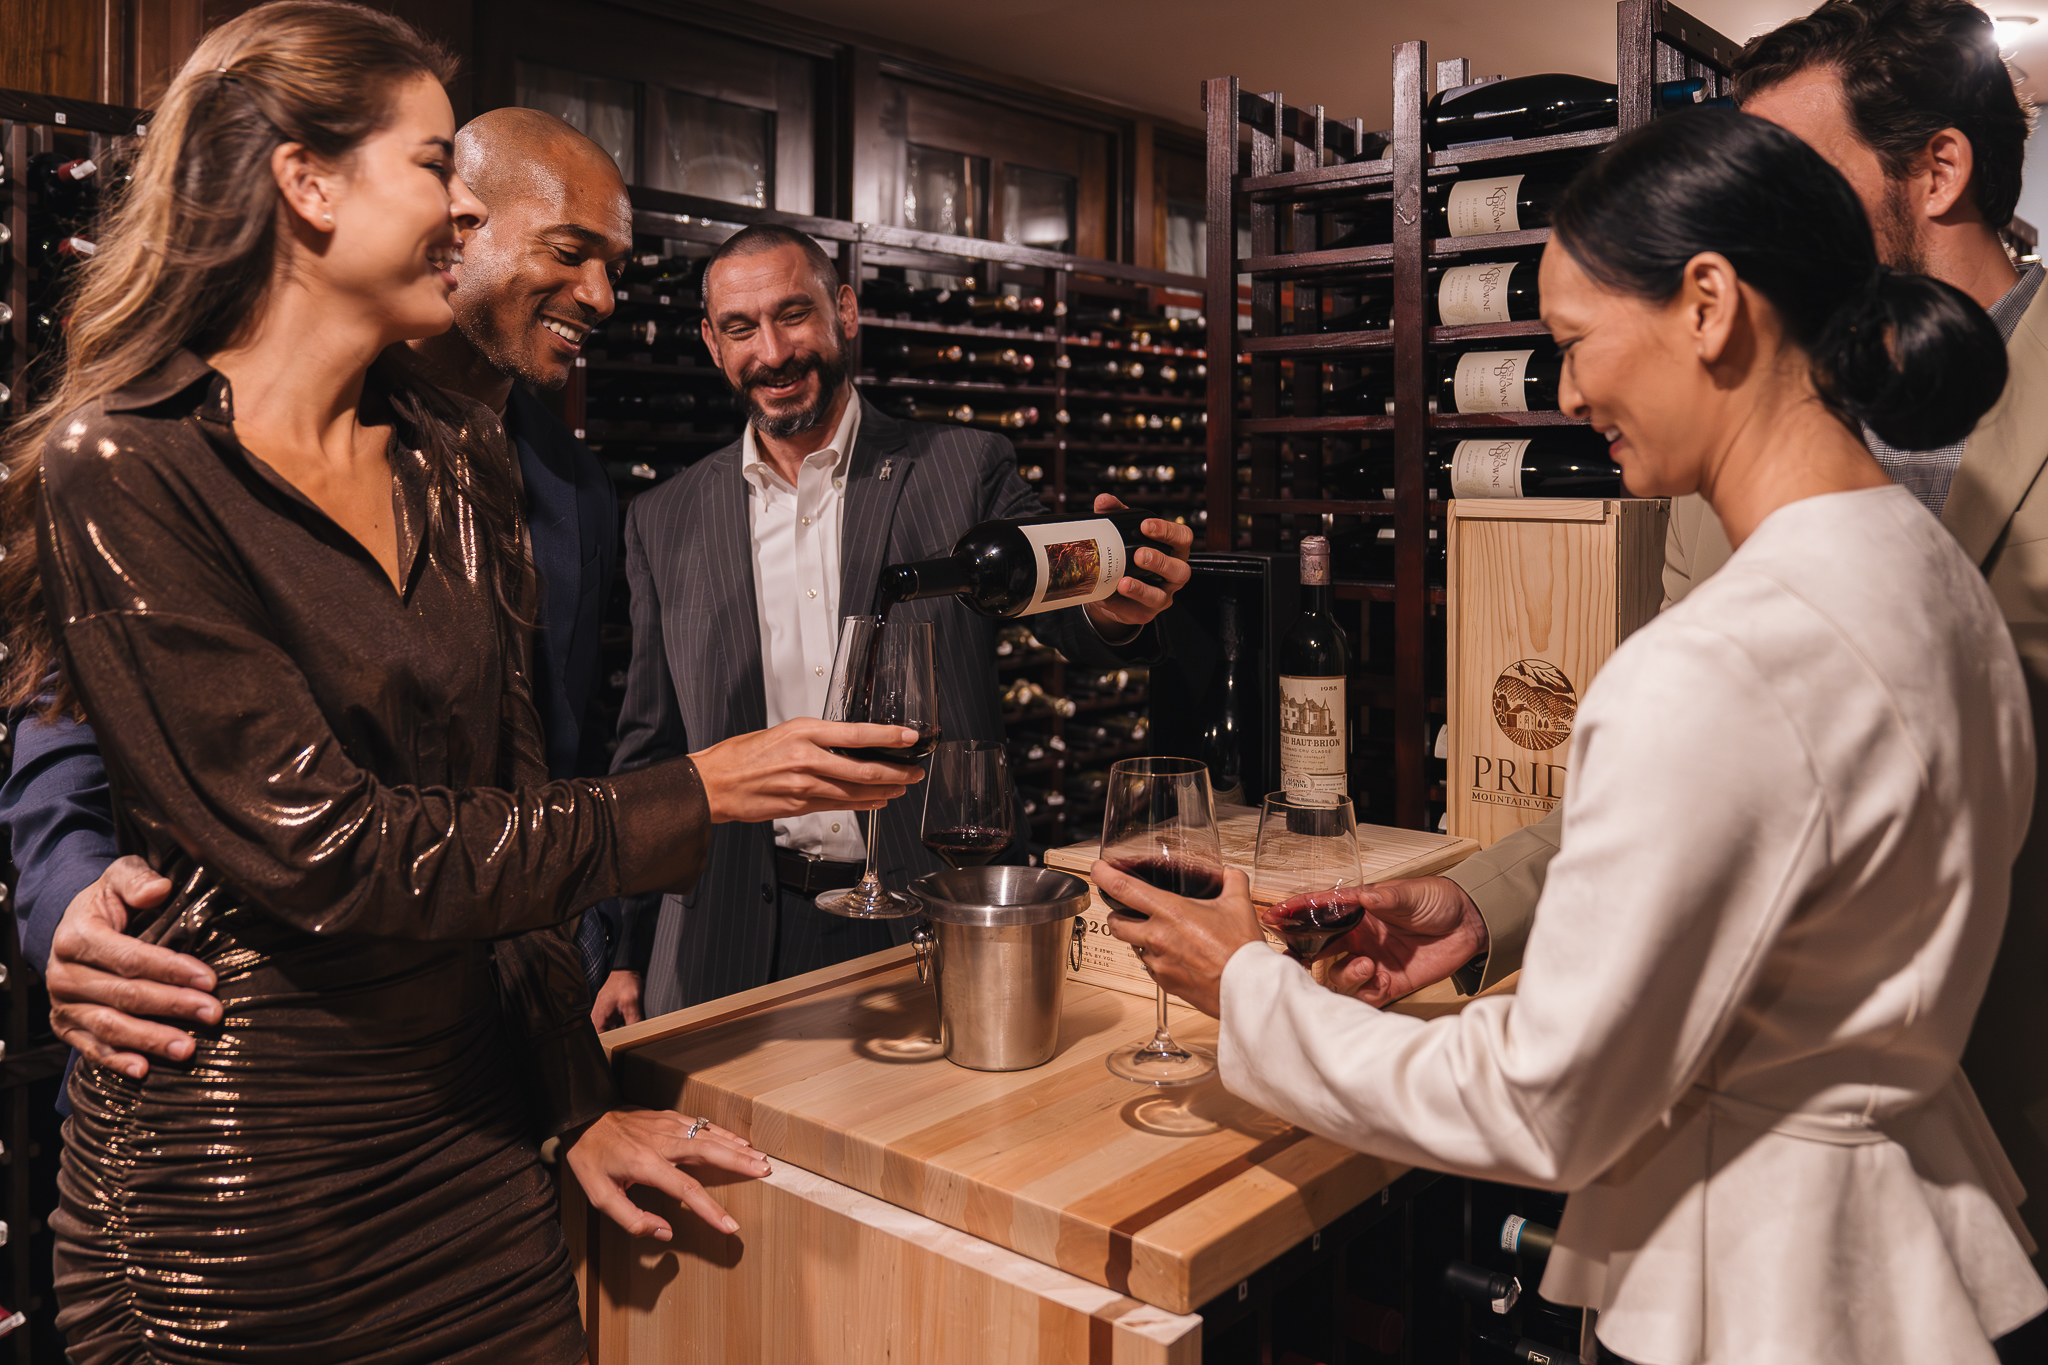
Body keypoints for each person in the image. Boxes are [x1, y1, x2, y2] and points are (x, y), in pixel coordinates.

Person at [0, 4, 924, 1359]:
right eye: (437, 166)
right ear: (307, 183)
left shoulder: (472, 458)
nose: (459, 205)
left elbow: (514, 792)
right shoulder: (126, 463)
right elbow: (287, 827)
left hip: (472, 1145)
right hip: (245, 1172)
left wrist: (569, 1098)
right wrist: (66, 891)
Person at [1104, 109, 2043, 1365]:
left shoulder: (1714, 661)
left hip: (1762, 1294)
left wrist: (1248, 992)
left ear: (1705, 305)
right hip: (1921, 1254)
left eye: (1574, 341)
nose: (1567, 389)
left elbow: (1548, 1105)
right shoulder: (1936, 583)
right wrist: (1486, 918)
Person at [1328, 0, 2048, 1279]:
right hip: (1744, 1177)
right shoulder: (1730, 448)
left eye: (1783, 172)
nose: (1741, 208)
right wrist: (1485, 905)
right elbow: (1694, 770)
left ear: (1937, 171)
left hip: (1998, 1145)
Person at [2, 106, 637, 1095]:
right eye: (568, 251)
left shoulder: (576, 489)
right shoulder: (214, 439)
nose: (600, 295)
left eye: (616, 264)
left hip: (501, 1032)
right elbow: (71, 707)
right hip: (255, 1046)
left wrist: (589, 942)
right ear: (455, 229)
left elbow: (559, 745)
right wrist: (71, 891)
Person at [607, 221, 1195, 1015]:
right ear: (713, 344)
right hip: (726, 936)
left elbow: (1070, 619)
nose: (773, 353)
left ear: (845, 310)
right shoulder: (662, 517)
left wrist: (1116, 611)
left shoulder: (962, 468)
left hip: (929, 911)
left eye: (794, 315)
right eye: (742, 328)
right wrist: (625, 948)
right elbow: (651, 749)